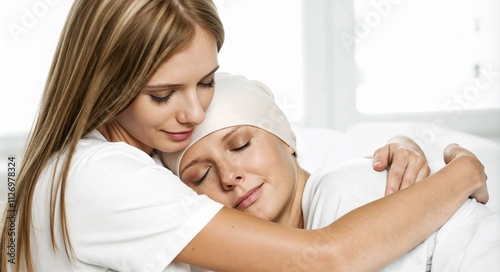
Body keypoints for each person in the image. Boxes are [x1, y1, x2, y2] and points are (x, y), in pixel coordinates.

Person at [0, 0, 488, 271]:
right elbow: (327, 258)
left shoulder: (118, 157)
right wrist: (463, 170)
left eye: (207, 81)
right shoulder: (104, 178)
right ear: (105, 82)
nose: (193, 113)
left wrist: (406, 144)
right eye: (163, 95)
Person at [162, 73, 500, 271]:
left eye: (240, 145)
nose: (229, 176)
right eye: (200, 176)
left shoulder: (342, 190)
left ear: (287, 141)